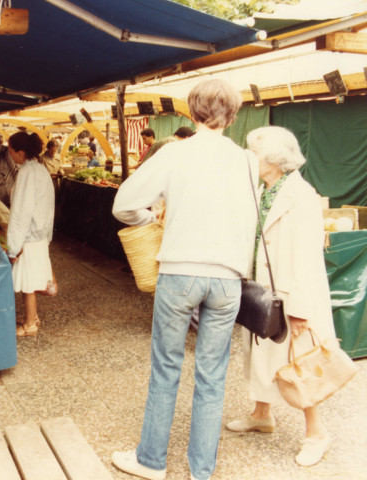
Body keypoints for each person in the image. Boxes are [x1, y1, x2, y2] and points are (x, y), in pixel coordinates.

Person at [111, 78, 257, 480]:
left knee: (167, 367)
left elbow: (124, 205)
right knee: (213, 374)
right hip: (228, 278)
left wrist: (152, 218)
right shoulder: (247, 160)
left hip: (181, 271)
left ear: (192, 112)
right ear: (233, 115)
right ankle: (202, 471)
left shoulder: (176, 152)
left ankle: (151, 461)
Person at [226, 126, 338, 467]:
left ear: (275, 159)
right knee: (261, 358)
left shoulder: (300, 195)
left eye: (255, 153)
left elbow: (307, 256)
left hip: (293, 295)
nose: (250, 159)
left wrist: (301, 307)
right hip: (266, 291)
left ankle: (316, 434)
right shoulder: (266, 189)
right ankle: (262, 414)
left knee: (299, 364)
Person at [6, 132, 55, 337]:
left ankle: (31, 324)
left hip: (29, 235)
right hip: (39, 233)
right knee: (32, 280)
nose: (10, 156)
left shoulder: (27, 172)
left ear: (20, 152)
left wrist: (14, 245)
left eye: (10, 152)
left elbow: (20, 211)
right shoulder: (39, 169)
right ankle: (32, 317)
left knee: (28, 283)